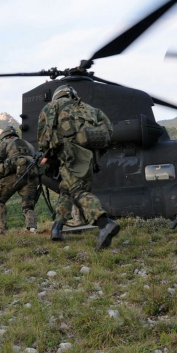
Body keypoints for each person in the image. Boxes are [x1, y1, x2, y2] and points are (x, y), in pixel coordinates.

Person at [37, 84, 120, 250]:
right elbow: (108, 130)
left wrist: (46, 155)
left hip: (70, 155)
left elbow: (42, 137)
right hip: (89, 156)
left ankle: (104, 223)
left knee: (77, 191)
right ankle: (57, 228)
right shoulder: (91, 109)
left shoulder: (51, 107)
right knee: (66, 189)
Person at [0, 125, 40, 235]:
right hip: (31, 177)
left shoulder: (5, 143)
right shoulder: (29, 145)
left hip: (13, 176)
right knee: (27, 205)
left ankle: (0, 229)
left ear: (5, 136)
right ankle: (32, 228)